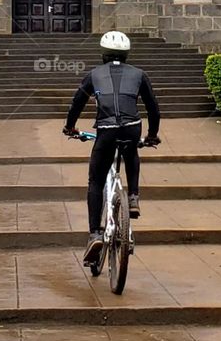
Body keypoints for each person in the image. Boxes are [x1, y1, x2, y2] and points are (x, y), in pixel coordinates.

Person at [63, 30, 161, 265]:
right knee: (132, 151)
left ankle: (95, 234)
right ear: (126, 54)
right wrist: (152, 135)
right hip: (132, 128)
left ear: (103, 54)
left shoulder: (94, 74)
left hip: (106, 131)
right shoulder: (139, 74)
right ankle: (134, 197)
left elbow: (77, 102)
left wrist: (70, 127)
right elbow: (153, 107)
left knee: (96, 181)